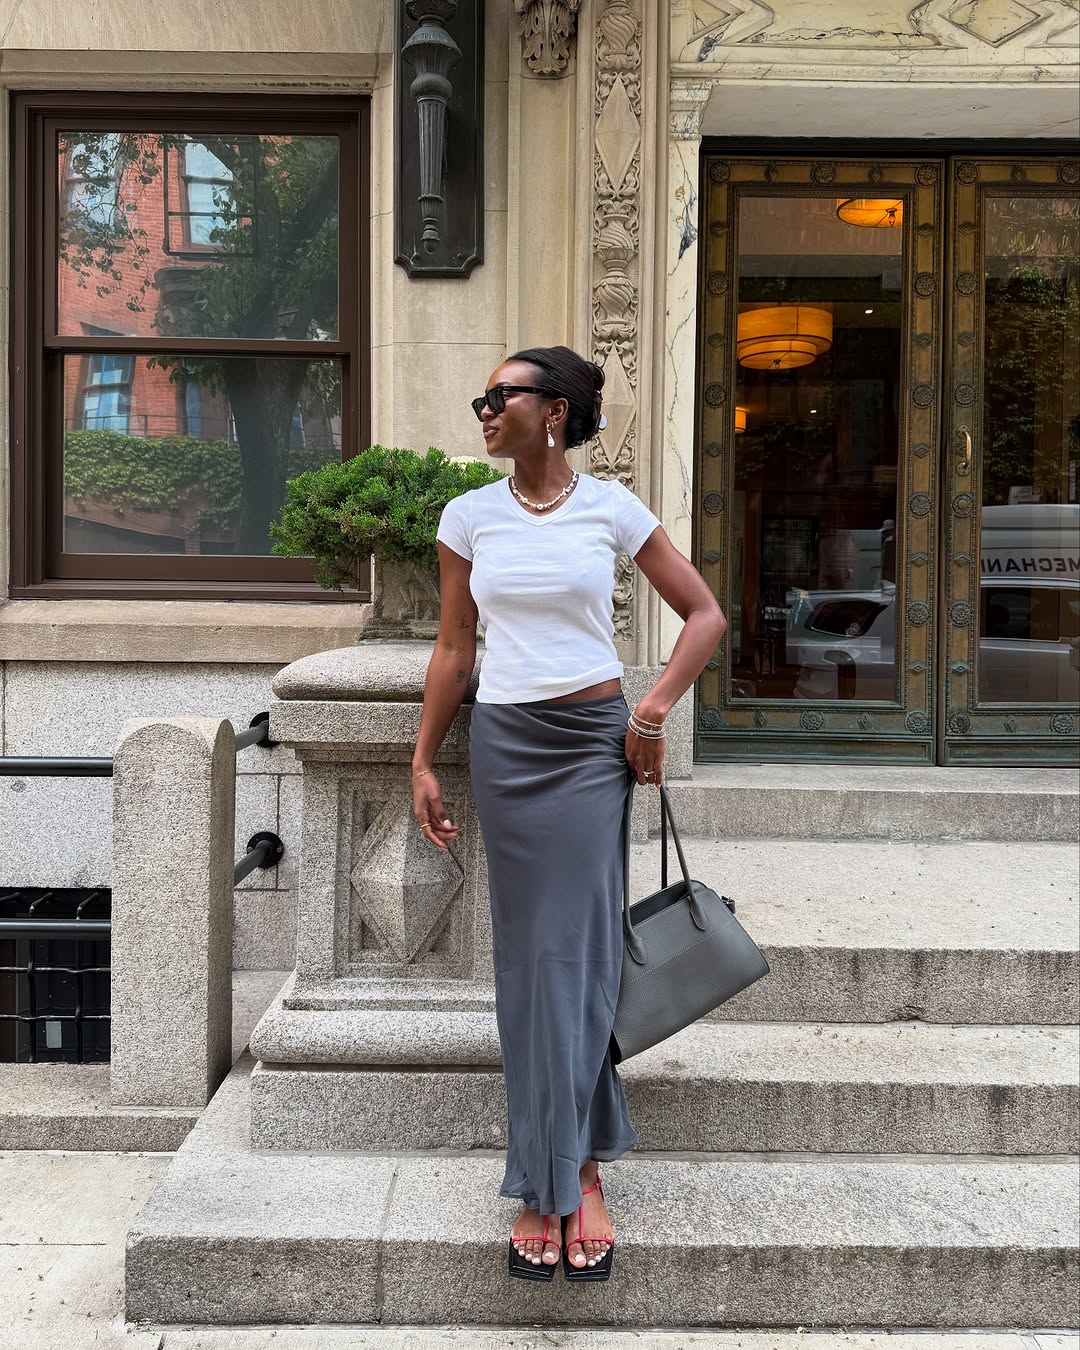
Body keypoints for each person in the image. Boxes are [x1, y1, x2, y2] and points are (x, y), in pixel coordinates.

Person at [412, 345, 727, 1282]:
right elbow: (455, 647)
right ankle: (552, 1174)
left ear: (554, 411)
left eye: (499, 397)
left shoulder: (611, 509)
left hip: (593, 748)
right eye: (482, 398)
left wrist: (652, 709)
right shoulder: (467, 516)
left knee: (578, 958)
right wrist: (423, 758)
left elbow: (704, 615)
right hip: (509, 749)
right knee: (528, 965)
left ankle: (573, 1170)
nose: (483, 410)